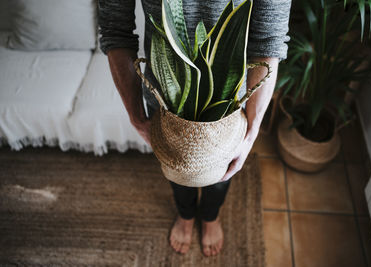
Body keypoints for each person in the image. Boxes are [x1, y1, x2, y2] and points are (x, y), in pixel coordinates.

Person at [98, 0, 291, 257]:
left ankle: (210, 215)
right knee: (179, 168)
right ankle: (186, 214)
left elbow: (269, 38)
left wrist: (252, 130)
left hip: (229, 100)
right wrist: (136, 116)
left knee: (222, 172)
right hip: (166, 98)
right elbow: (116, 30)